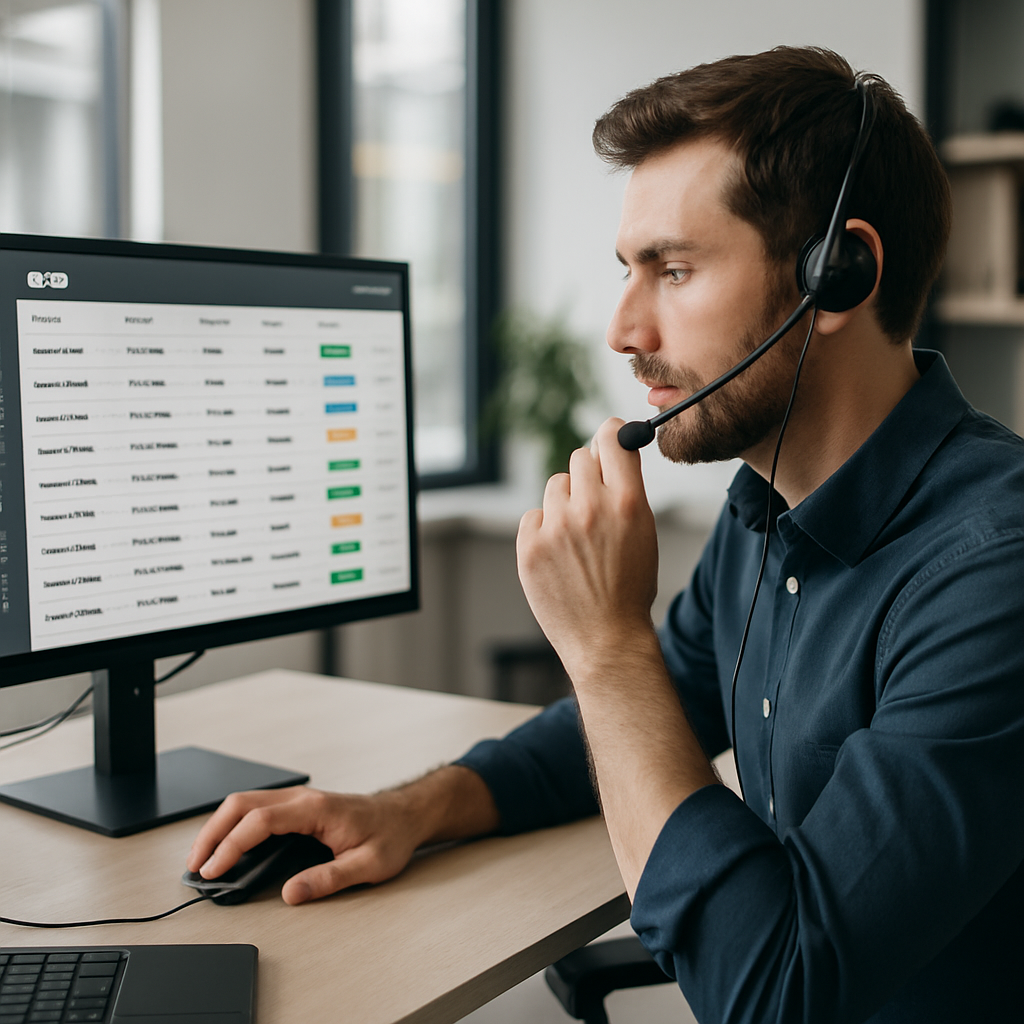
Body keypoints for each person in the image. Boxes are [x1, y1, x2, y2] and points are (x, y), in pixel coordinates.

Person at [188, 47, 1024, 1022]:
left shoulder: (991, 572)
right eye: (628, 271)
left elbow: (774, 994)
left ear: (839, 275)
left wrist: (605, 643)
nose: (623, 330)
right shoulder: (765, 509)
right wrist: (405, 811)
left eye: (674, 269)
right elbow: (639, 714)